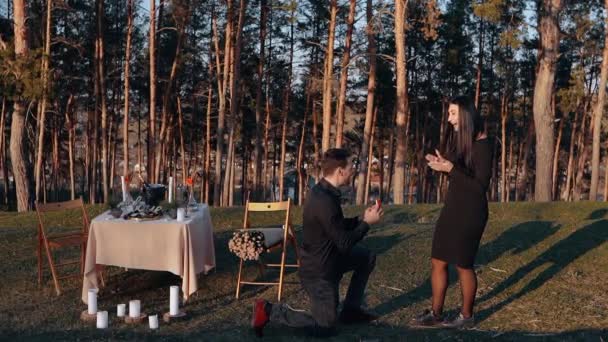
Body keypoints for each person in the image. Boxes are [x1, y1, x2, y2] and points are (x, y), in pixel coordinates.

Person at [251, 148, 384, 338]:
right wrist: (366, 224)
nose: (353, 170)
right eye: (351, 166)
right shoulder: (324, 200)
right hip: (319, 273)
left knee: (366, 257)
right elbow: (344, 243)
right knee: (325, 328)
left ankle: (351, 311)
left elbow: (334, 226)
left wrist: (359, 219)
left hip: (331, 260)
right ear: (340, 171)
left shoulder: (325, 193)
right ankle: (269, 310)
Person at [411, 96, 492, 329]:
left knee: (463, 265)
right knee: (438, 261)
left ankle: (466, 317)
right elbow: (460, 174)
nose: (448, 118)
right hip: (453, 209)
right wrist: (442, 165)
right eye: (449, 113)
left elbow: (479, 187)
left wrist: (451, 169)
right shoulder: (461, 140)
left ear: (465, 115)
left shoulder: (483, 145)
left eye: (453, 113)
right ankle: (436, 314)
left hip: (471, 212)